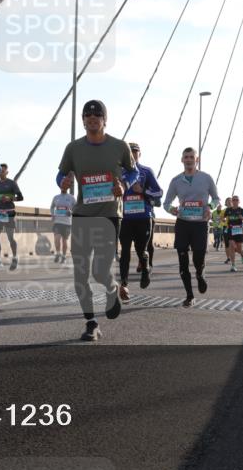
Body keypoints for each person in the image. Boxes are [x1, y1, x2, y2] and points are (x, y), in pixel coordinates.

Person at [56, 100, 137, 341]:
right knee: (80, 274)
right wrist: (62, 181)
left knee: (100, 271)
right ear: (83, 120)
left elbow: (133, 172)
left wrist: (124, 184)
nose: (92, 118)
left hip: (109, 215)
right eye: (87, 115)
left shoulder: (119, 146)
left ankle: (112, 289)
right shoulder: (73, 148)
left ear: (104, 119)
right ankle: (91, 323)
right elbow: (61, 172)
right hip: (82, 215)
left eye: (97, 115)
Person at [163, 147, 219, 307]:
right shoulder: (176, 181)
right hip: (183, 223)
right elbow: (166, 203)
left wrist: (210, 207)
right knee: (182, 260)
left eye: (191, 157)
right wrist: (171, 209)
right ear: (182, 160)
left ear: (197, 160)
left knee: (198, 258)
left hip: (200, 224)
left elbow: (216, 199)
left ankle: (200, 274)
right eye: (186, 157)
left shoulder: (206, 178)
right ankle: (189, 295)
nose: (189, 160)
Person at [117, 142, 162, 301]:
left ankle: (145, 268)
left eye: (135, 152)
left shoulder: (146, 172)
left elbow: (158, 192)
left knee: (141, 250)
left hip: (144, 218)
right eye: (130, 152)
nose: (133, 155)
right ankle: (123, 283)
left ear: (139, 154)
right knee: (125, 252)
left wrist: (142, 191)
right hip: (126, 218)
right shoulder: (119, 172)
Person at [0, 164, 23, 270]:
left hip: (9, 213)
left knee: (10, 237)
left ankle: (15, 258)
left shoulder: (12, 183)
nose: (1, 173)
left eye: (3, 171)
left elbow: (21, 197)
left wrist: (10, 198)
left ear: (7, 172)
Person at [223, 195, 243, 272]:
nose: (235, 201)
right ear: (232, 201)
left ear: (239, 201)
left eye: (236, 200)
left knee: (238, 248)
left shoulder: (242, 210)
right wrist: (223, 219)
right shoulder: (228, 210)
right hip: (230, 230)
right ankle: (233, 265)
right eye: (233, 200)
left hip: (239, 230)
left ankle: (242, 255)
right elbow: (222, 217)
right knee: (231, 245)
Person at [50, 186, 75, 263]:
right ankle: (58, 253)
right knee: (57, 238)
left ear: (67, 188)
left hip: (67, 223)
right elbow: (52, 207)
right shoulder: (56, 197)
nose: (63, 188)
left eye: (65, 187)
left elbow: (76, 208)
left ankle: (64, 256)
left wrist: (71, 212)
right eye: (62, 186)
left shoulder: (71, 198)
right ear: (60, 187)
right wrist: (52, 214)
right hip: (57, 222)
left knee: (64, 241)